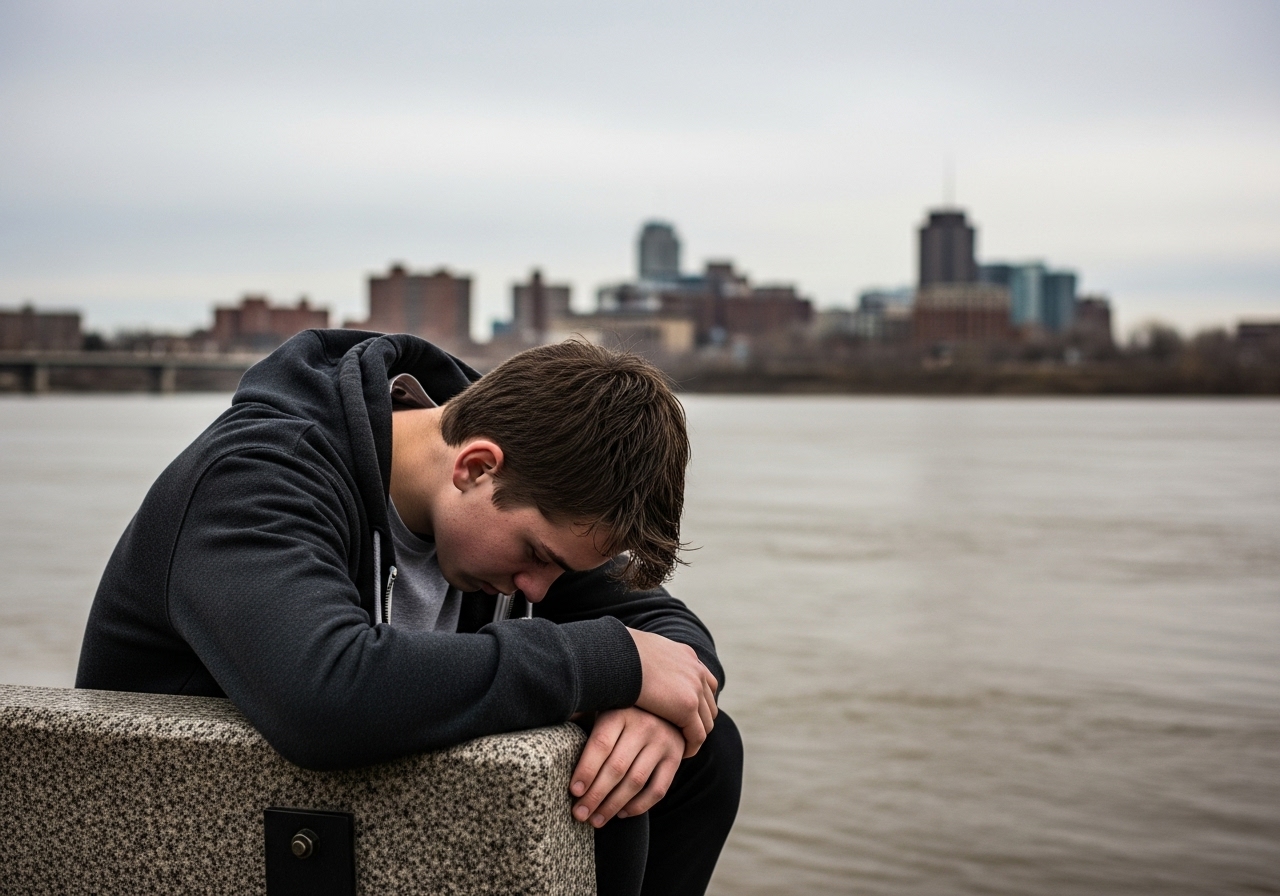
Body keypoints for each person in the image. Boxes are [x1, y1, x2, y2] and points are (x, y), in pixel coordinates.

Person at [76, 329, 742, 895]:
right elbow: (324, 693)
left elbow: (667, 629)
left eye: (561, 569)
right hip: (198, 838)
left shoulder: (528, 487)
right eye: (536, 554)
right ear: (476, 466)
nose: (538, 589)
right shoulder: (257, 476)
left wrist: (655, 708)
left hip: (341, 824)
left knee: (694, 757)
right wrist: (605, 663)